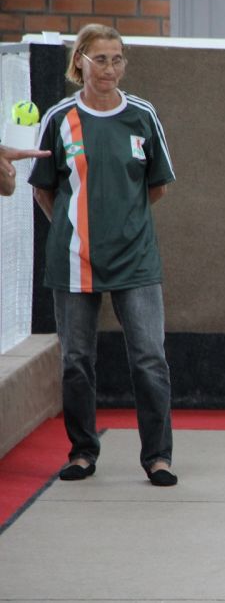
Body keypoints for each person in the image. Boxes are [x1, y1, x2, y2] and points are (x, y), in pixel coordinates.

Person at [29, 24, 178, 486]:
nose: (109, 68)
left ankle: (158, 458)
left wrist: (121, 227)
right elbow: (44, 189)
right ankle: (82, 453)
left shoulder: (143, 115)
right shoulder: (58, 118)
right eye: (100, 59)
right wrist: (72, 232)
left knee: (149, 358)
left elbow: (155, 187)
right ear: (80, 64)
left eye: (117, 59)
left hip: (136, 261)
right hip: (72, 259)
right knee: (76, 359)